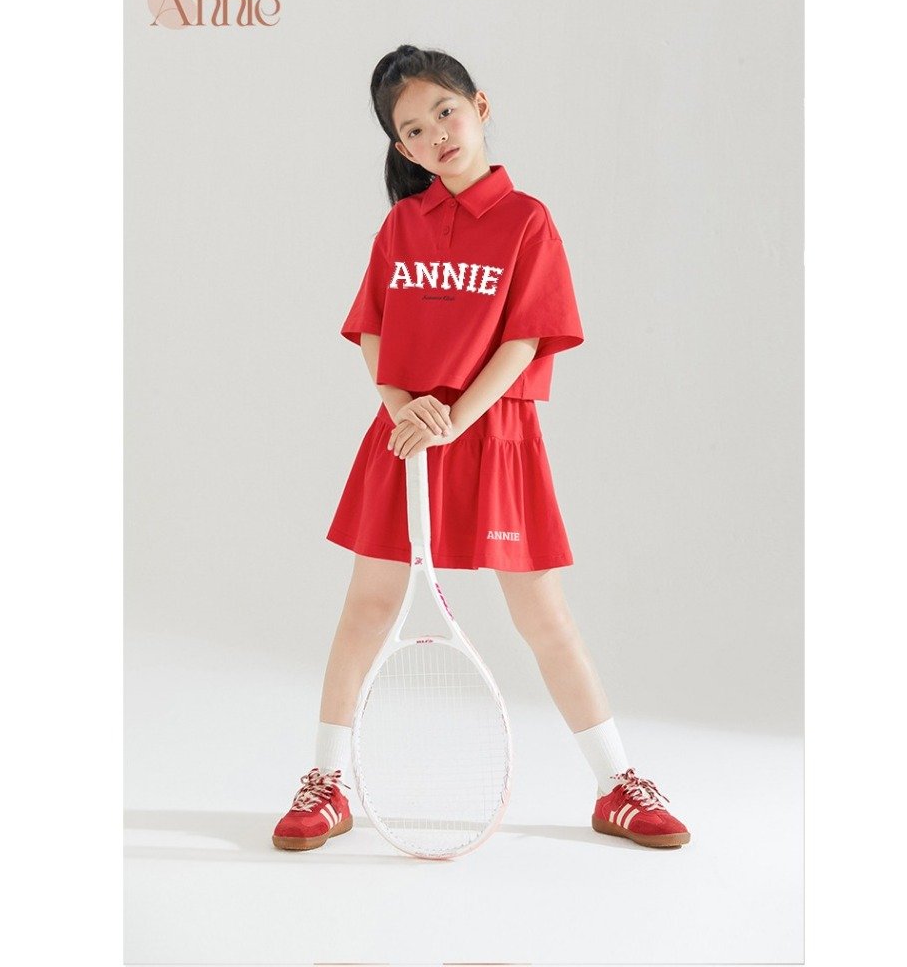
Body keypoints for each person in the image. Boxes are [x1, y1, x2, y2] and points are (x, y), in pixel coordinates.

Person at [272, 44, 690, 853]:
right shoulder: (402, 225)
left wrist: (455, 419)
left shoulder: (527, 219)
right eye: (413, 130)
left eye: (446, 112)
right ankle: (327, 782)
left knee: (545, 618)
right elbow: (372, 329)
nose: (436, 134)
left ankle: (617, 784)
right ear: (401, 149)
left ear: (480, 107)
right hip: (406, 438)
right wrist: (405, 410)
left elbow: (526, 340)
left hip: (493, 435)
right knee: (366, 610)